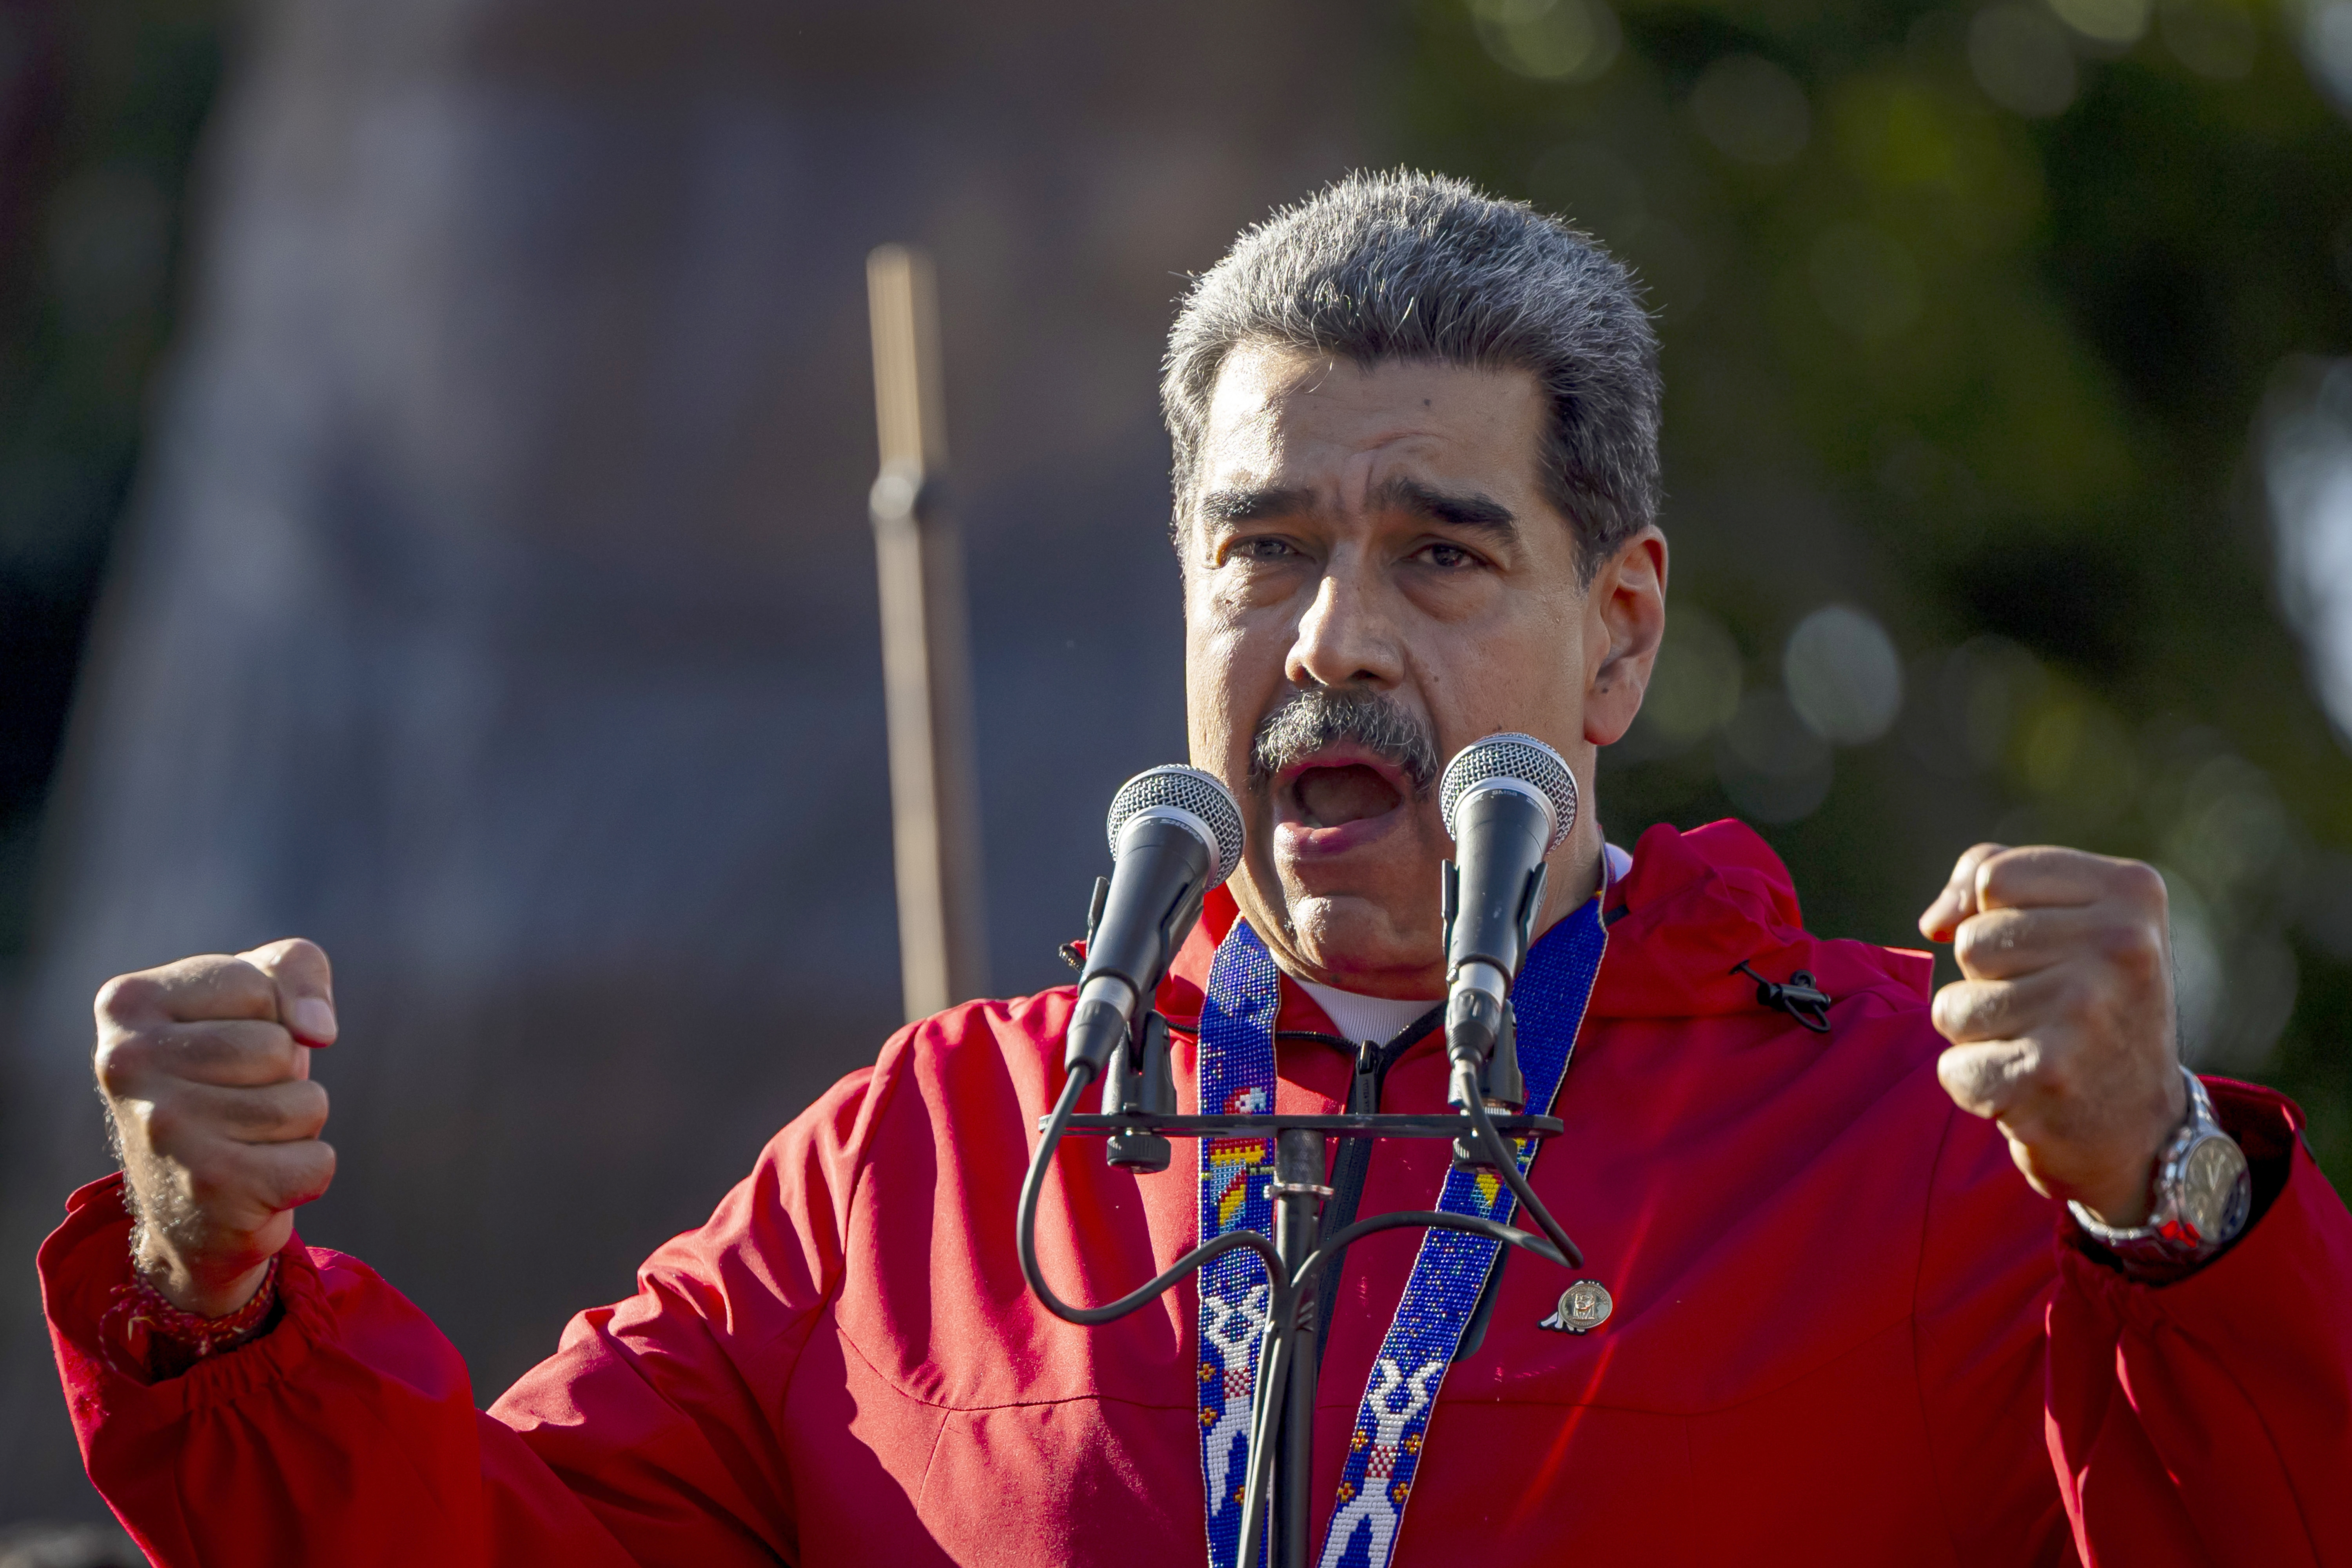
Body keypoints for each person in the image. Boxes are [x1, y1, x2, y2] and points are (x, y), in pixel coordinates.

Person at [39, 171, 2352, 1567]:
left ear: (1621, 631)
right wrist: (215, 1297)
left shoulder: (1914, 1136)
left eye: (1442, 553)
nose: (1332, 640)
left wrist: (2165, 1201)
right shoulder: (923, 1163)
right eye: (1264, 553)